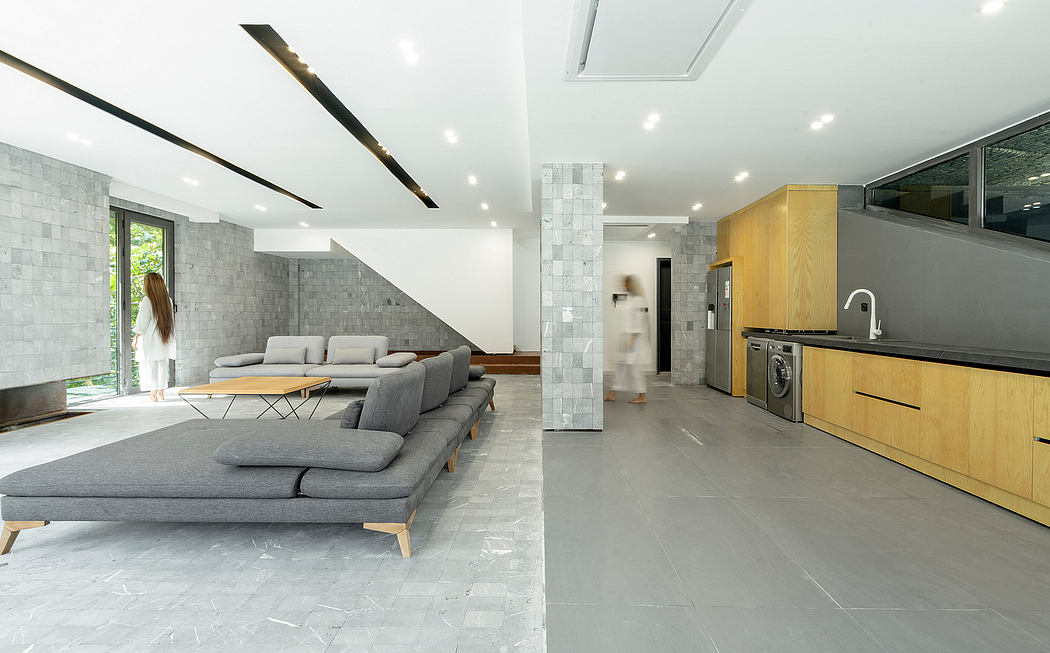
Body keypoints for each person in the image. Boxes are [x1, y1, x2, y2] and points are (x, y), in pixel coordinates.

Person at [604, 274, 651, 405]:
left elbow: (640, 321)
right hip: (626, 339)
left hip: (635, 341)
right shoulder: (628, 300)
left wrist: (633, 338)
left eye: (626, 283)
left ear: (631, 285)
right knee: (621, 367)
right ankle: (612, 393)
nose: (624, 286)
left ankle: (642, 396)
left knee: (635, 369)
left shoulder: (640, 300)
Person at [132, 272, 176, 402]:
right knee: (162, 364)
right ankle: (161, 392)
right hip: (164, 335)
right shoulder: (168, 300)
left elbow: (142, 324)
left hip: (149, 338)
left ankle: (153, 392)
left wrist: (136, 337)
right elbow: (171, 320)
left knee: (149, 365)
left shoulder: (147, 300)